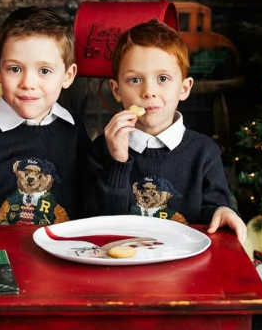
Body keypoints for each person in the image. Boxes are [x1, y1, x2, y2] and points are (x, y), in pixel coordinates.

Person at [89, 20, 246, 243]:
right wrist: (118, 161)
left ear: (184, 88)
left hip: (185, 266)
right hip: (122, 266)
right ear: (116, 90)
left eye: (163, 79)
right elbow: (101, 226)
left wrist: (223, 212)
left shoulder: (204, 152)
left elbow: (215, 210)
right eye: (134, 80)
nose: (149, 91)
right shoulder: (102, 149)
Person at [0, 7, 91, 225]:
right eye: (15, 69)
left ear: (68, 76)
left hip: (57, 256)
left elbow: (90, 208)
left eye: (44, 71)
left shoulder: (75, 134)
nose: (28, 84)